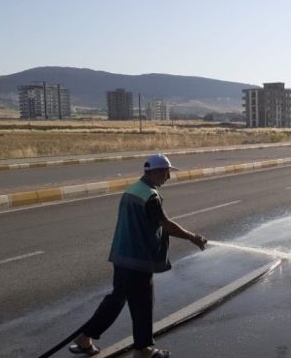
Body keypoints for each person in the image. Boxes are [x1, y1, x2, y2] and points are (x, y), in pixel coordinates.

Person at [69, 153, 207, 358]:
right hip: (138, 260)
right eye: (167, 173)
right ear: (157, 172)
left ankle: (85, 338)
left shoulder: (133, 190)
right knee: (142, 305)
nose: (168, 178)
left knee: (116, 300)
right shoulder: (150, 196)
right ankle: (143, 350)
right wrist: (192, 237)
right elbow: (165, 224)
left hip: (121, 256)